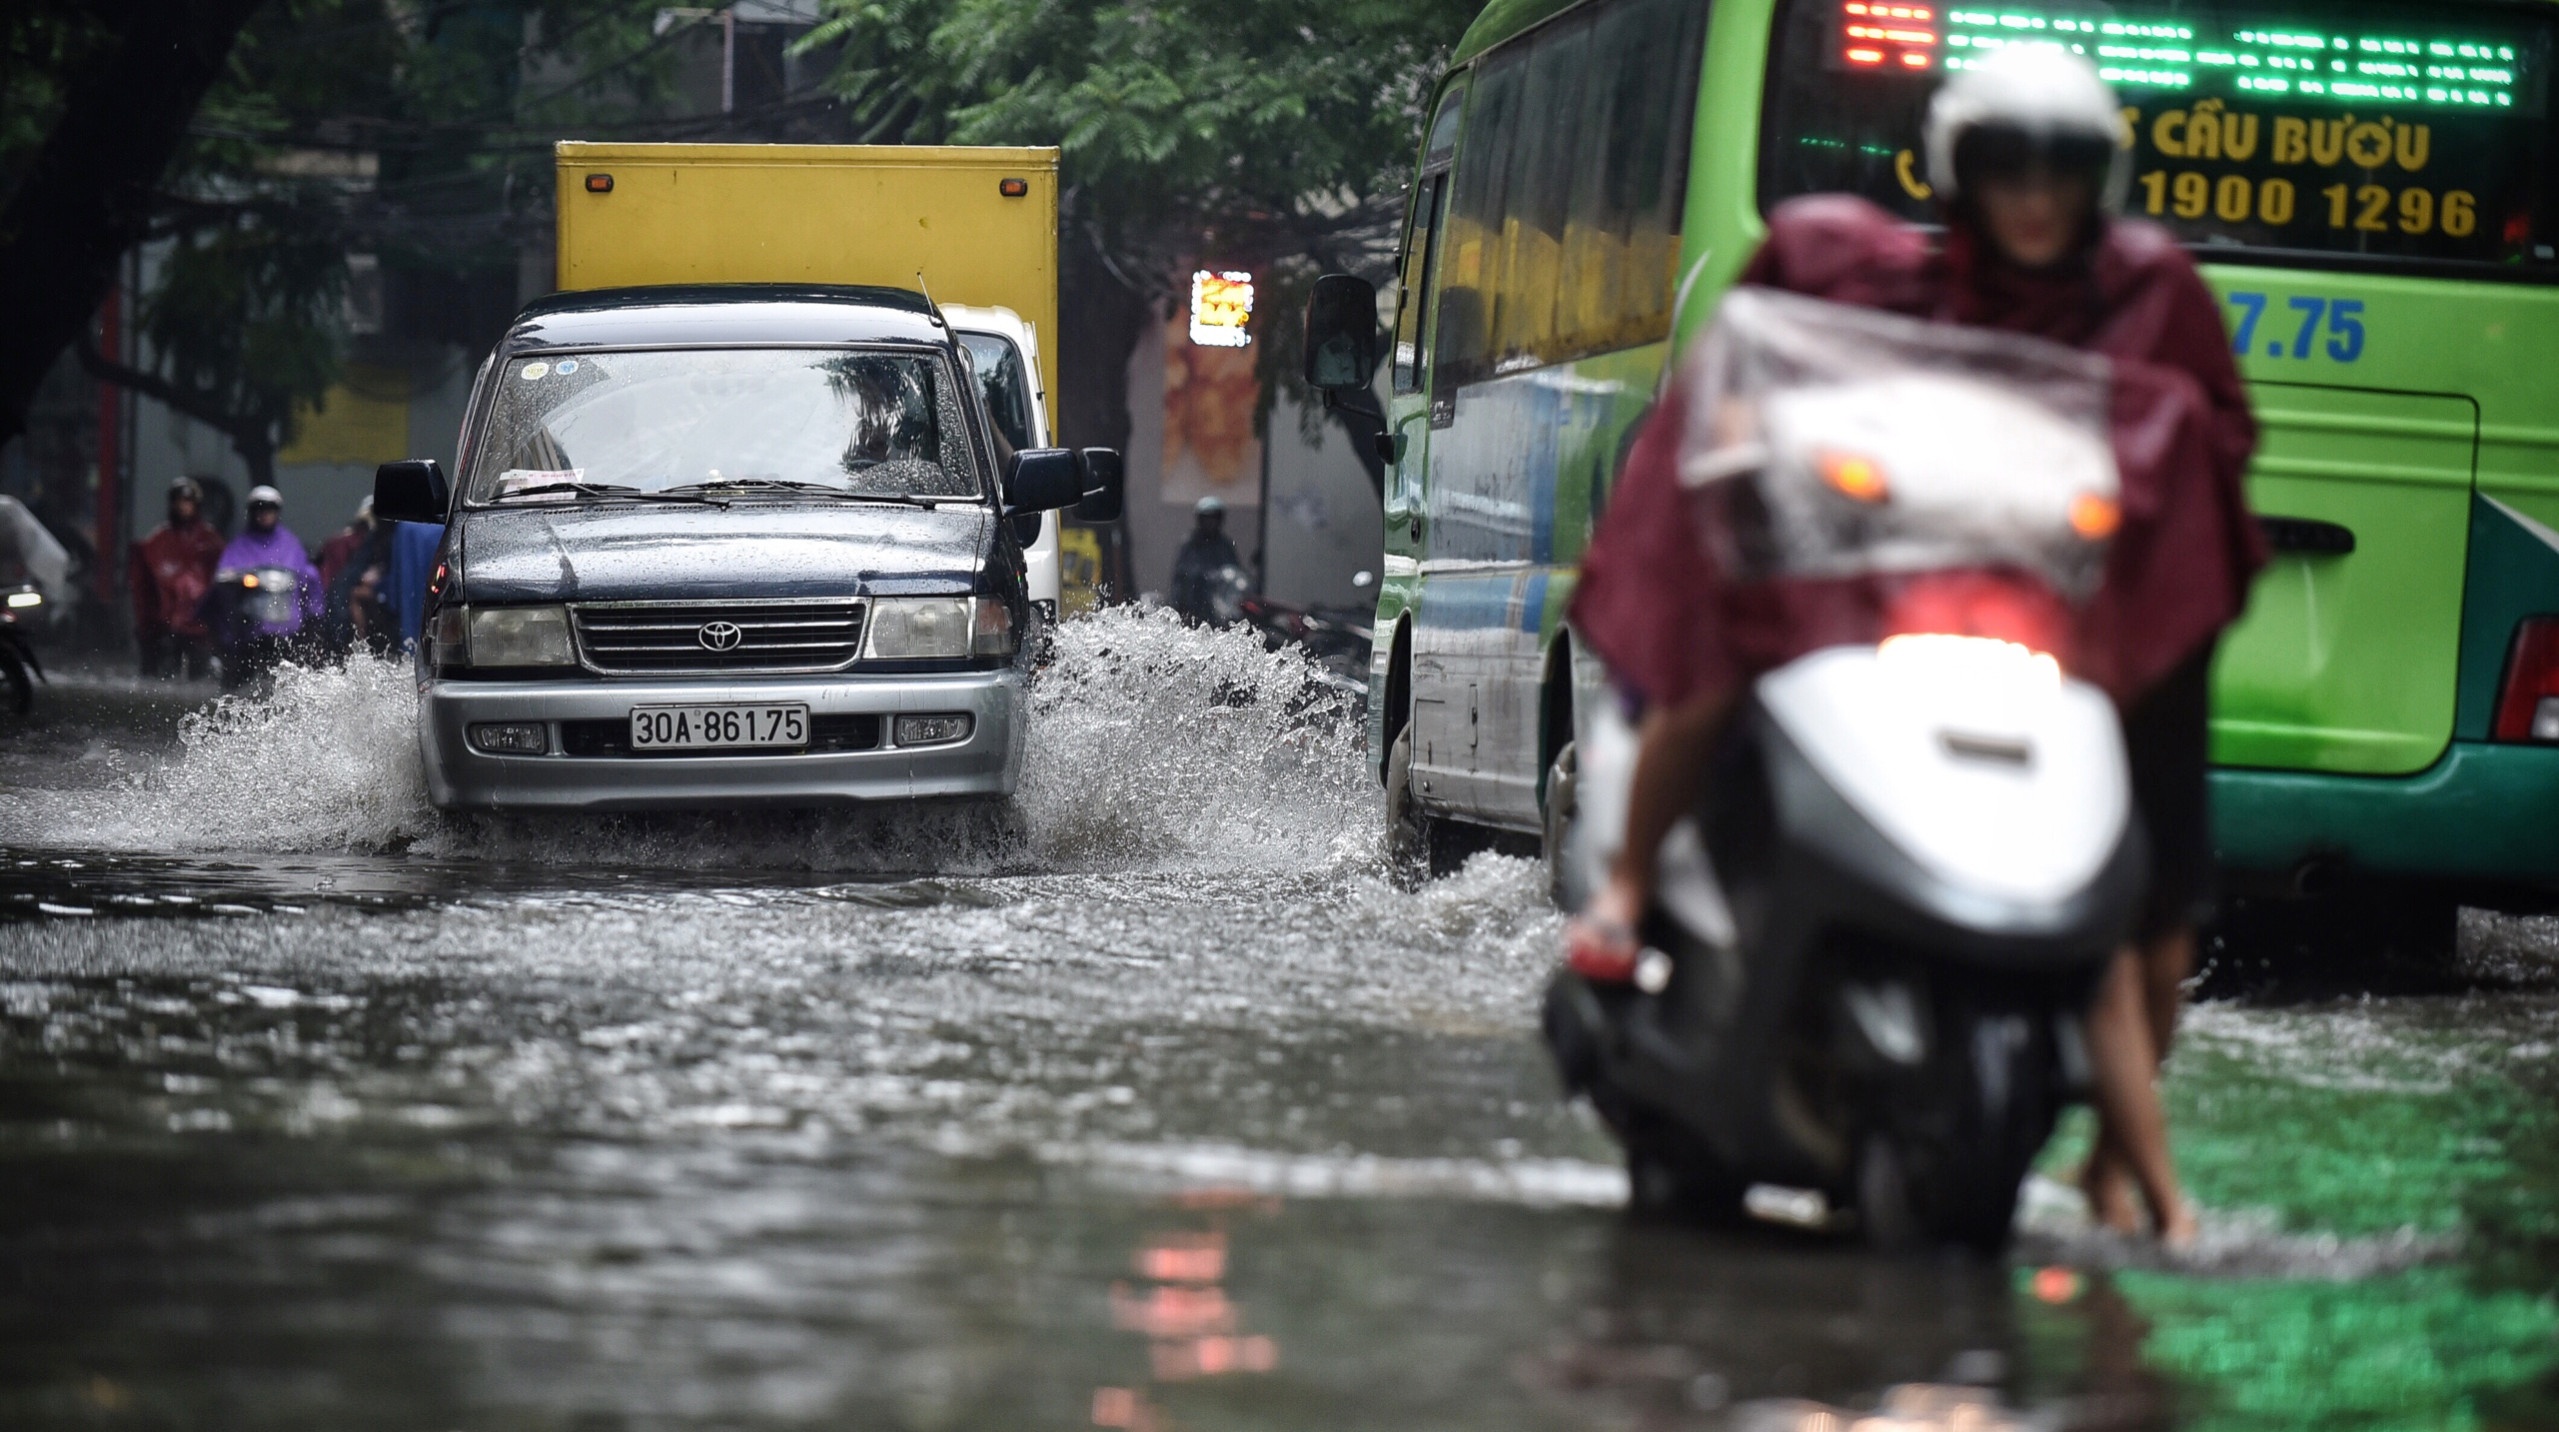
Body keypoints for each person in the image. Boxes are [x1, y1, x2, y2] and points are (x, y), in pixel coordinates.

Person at [1565, 49, 2263, 1245]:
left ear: (2100, 182)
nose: (2035, 197)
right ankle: (1630, 882)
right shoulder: (1858, 270)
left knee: (2150, 911)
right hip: (1865, 592)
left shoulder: (2152, 295)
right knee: (1721, 661)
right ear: (1957, 177)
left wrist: (2135, 504)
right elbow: (1756, 390)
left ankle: (2132, 1172)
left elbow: (2212, 448)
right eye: (2008, 169)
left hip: (2092, 622)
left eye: (2063, 171)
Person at [210, 484, 325, 679]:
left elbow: (308, 577)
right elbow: (223, 576)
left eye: (269, 509)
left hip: (287, 630)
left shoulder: (290, 544)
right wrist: (243, 580)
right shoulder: (240, 545)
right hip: (250, 629)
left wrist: (314, 619)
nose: (264, 514)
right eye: (259, 509)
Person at [129, 477, 227, 680]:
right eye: (179, 502)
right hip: (165, 628)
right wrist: (146, 625)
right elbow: (142, 587)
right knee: (160, 681)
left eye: (188, 502)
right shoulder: (157, 541)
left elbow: (222, 585)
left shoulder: (211, 541)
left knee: (200, 684)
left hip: (200, 630)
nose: (183, 507)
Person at [1169, 496, 1243, 625]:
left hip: (1221, 610)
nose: (1210, 523)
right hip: (1195, 607)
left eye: (1214, 518)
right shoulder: (1190, 544)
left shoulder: (1225, 545)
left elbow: (1234, 573)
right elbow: (1180, 579)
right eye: (1206, 518)